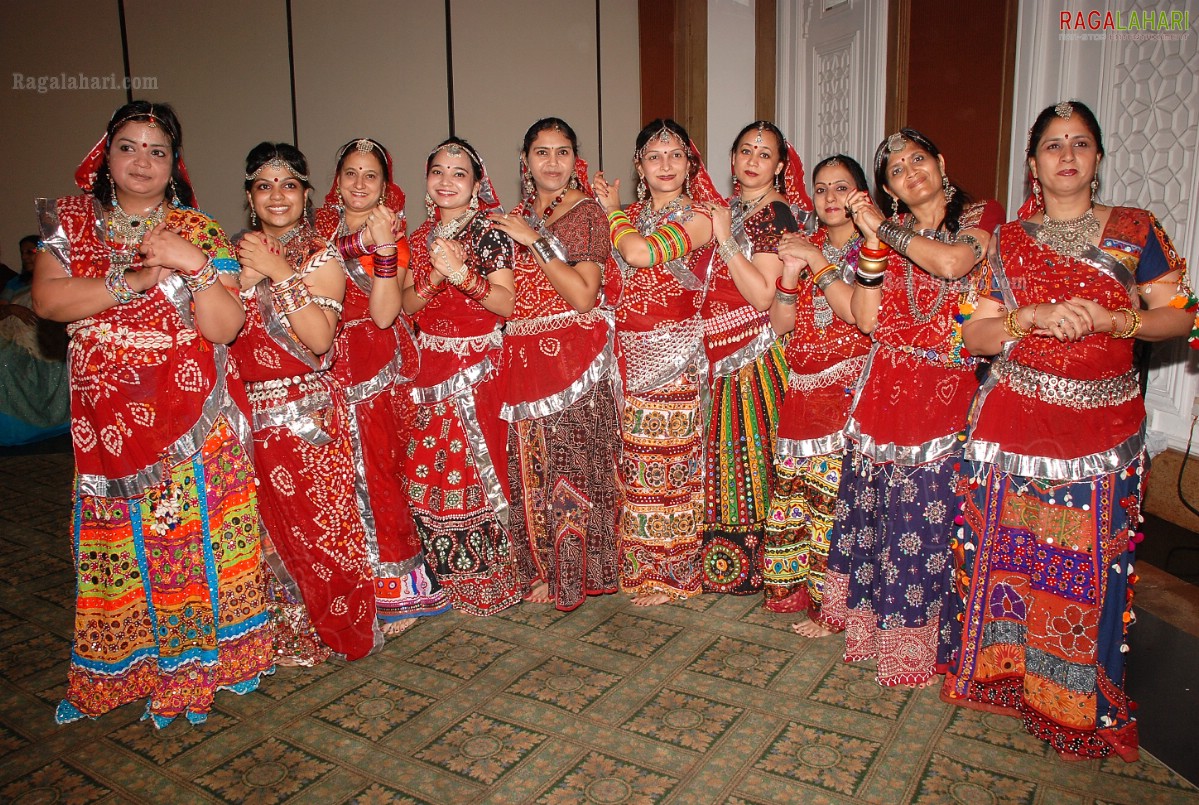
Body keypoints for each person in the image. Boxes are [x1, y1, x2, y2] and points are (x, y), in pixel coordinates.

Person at [944, 101, 1195, 762]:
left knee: (1083, 569)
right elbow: (972, 334)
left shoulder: (1134, 231)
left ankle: (1076, 700)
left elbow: (1182, 317)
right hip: (1016, 423)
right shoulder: (1007, 242)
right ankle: (1008, 678)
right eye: (1052, 144)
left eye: (1079, 143)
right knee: (1015, 560)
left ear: (1096, 159)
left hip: (1100, 432)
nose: (1065, 154)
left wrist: (1120, 323)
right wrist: (1025, 316)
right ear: (1032, 164)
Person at [31, 101, 271, 725]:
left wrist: (192, 267)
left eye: (157, 151)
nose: (142, 161)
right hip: (107, 422)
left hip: (188, 421)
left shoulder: (201, 231)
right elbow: (51, 301)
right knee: (119, 543)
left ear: (174, 165)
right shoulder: (72, 223)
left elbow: (226, 324)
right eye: (129, 147)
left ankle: (203, 660)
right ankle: (128, 662)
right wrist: (134, 281)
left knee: (188, 543)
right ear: (104, 157)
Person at [820, 128, 1004, 687]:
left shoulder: (982, 217)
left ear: (940, 161)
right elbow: (868, 318)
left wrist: (883, 229)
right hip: (883, 393)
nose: (910, 171)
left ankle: (928, 647)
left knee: (926, 521)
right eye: (896, 169)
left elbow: (950, 265)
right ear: (889, 189)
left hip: (945, 396)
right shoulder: (885, 237)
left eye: (917, 159)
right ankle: (875, 634)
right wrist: (872, 243)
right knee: (880, 519)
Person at [233, 141, 379, 663]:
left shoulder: (321, 255)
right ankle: (273, 635)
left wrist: (277, 273)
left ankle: (334, 630)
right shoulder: (228, 254)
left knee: (321, 533)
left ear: (307, 194)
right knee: (256, 529)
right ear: (249, 195)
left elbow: (318, 339)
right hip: (244, 415)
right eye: (265, 185)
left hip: (305, 416)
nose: (278, 196)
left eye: (289, 185)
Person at [314, 138, 450, 632]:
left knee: (377, 472)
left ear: (385, 184)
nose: (358, 183)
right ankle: (356, 581)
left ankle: (402, 588)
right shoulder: (319, 230)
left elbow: (387, 310)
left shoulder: (389, 232)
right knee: (338, 476)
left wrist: (385, 250)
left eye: (370, 175)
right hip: (324, 357)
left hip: (373, 358)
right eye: (349, 172)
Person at [490, 118, 621, 610]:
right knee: (531, 470)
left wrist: (534, 241)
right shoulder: (515, 215)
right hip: (523, 359)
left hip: (573, 358)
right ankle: (542, 569)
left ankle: (576, 573)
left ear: (574, 160)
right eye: (541, 152)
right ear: (525, 162)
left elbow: (584, 295)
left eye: (561, 152)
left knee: (571, 467)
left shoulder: (586, 212)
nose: (551, 162)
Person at [593, 119, 722, 606]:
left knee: (668, 470)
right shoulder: (629, 215)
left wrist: (610, 212)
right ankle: (641, 566)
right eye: (654, 156)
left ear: (690, 165)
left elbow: (642, 254)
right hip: (625, 354)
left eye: (675, 155)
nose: (665, 165)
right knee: (634, 466)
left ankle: (673, 574)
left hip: (672, 358)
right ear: (639, 167)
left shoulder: (702, 218)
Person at [400, 137, 523, 616]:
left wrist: (460, 274)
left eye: (458, 173)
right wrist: (435, 273)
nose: (446, 181)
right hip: (430, 366)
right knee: (426, 471)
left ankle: (488, 580)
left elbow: (506, 303)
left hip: (478, 369)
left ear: (476, 185)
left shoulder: (490, 233)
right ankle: (443, 579)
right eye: (438, 171)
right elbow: (409, 306)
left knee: (476, 466)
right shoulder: (418, 236)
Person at [696, 121, 809, 595]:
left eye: (764, 155)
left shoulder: (772, 213)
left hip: (752, 355)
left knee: (748, 455)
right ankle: (733, 563)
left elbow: (763, 295)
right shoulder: (739, 209)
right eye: (745, 150)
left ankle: (752, 566)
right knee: (729, 453)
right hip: (722, 353)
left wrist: (723, 238)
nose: (752, 160)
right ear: (732, 159)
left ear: (780, 166)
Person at [762, 155, 872, 633]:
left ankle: (832, 609)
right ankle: (794, 591)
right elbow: (780, 323)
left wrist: (815, 260)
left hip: (847, 387)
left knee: (834, 501)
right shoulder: (811, 247)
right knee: (799, 497)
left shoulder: (874, 249)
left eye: (840, 187)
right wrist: (789, 272)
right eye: (821, 188)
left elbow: (853, 314)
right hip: (802, 389)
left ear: (861, 194)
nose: (829, 197)